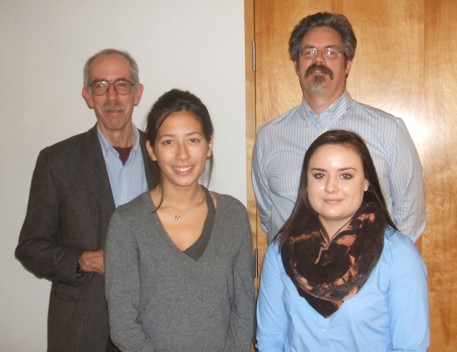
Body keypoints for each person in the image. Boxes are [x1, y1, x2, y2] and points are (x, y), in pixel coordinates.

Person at [15, 48, 155, 352]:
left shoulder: (165, 156)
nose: (112, 96)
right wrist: (84, 260)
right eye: (100, 86)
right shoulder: (56, 161)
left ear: (137, 93)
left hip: (154, 326)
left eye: (122, 84)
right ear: (88, 95)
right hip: (82, 328)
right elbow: (30, 247)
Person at [252, 12, 425, 243]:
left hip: (371, 277)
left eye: (331, 52)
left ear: (348, 64)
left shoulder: (389, 131)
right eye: (309, 52)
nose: (319, 60)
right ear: (296, 63)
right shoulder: (268, 137)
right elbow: (268, 215)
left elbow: (409, 218)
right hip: (290, 275)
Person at [104, 88, 255, 352]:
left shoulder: (233, 215)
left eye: (193, 140)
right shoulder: (127, 223)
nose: (182, 155)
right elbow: (123, 325)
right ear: (151, 149)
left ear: (209, 145)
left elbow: (244, 311)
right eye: (168, 142)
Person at [256, 130, 430, 351]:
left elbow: (409, 347)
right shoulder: (281, 252)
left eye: (345, 175)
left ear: (366, 181)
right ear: (306, 183)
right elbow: (270, 340)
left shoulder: (399, 255)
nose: (331, 187)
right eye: (319, 175)